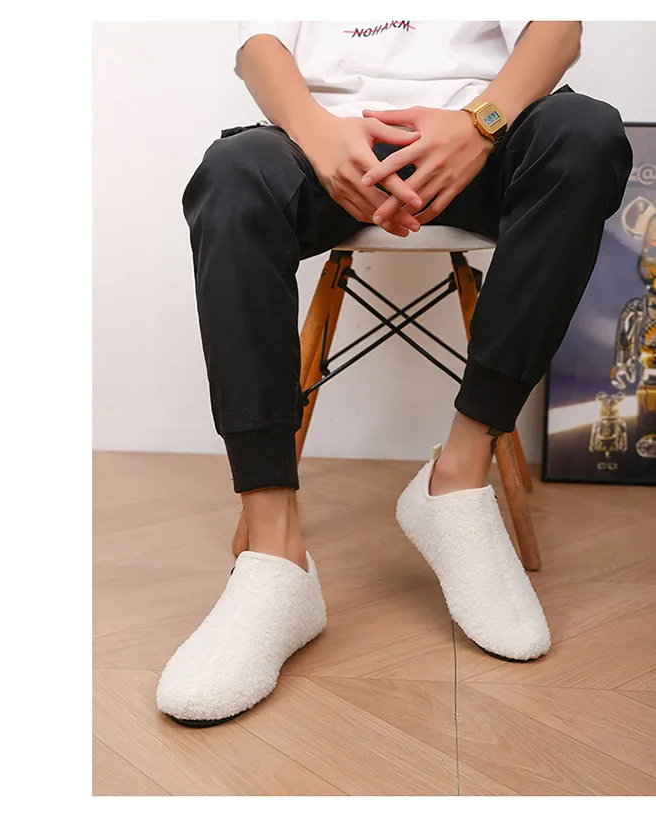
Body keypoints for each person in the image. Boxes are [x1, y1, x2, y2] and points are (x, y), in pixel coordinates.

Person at [156, 21, 633, 727]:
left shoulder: (487, 125)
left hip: (485, 134)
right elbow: (258, 43)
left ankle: (457, 483)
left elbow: (558, 29)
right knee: (231, 177)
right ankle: (275, 554)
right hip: (326, 141)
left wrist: (481, 124)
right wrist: (318, 135)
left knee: (586, 135)